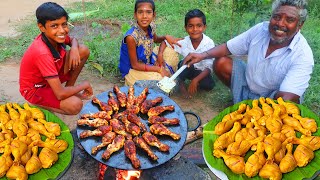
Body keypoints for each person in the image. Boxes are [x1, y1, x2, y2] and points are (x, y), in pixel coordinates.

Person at [183, 0, 313, 104]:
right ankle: (242, 100)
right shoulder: (260, 30)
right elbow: (228, 48)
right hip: (250, 84)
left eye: (289, 20)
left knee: (285, 103)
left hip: (273, 98)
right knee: (221, 62)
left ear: (300, 25)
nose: (280, 24)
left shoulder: (302, 55)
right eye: (276, 17)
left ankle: (255, 111)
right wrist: (202, 55)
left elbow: (287, 97)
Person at [19, 2, 93, 115]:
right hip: (35, 89)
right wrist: (84, 85)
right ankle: (40, 105)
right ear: (41, 27)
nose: (62, 30)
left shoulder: (56, 36)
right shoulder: (42, 52)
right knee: (75, 105)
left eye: (64, 24)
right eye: (54, 26)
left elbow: (72, 39)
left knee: (82, 50)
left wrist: (73, 48)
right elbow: (59, 94)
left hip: (51, 76)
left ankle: (69, 89)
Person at [119, 0, 182, 86]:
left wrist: (166, 37)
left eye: (148, 12)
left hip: (148, 60)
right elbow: (135, 65)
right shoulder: (131, 37)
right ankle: (131, 81)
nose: (144, 16)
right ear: (135, 15)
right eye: (140, 12)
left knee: (171, 49)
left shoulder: (151, 26)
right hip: (134, 70)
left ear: (154, 15)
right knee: (158, 79)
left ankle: (163, 72)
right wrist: (158, 69)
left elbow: (155, 39)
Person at [158, 9, 215, 98]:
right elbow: (165, 42)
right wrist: (160, 54)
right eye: (191, 26)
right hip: (187, 68)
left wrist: (196, 80)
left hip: (202, 71)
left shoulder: (209, 43)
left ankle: (194, 82)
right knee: (184, 64)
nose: (195, 29)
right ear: (185, 28)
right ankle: (180, 83)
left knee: (209, 85)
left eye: (199, 26)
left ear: (204, 27)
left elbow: (209, 67)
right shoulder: (184, 42)